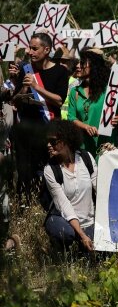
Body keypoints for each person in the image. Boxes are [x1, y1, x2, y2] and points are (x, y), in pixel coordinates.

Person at [7, 32, 69, 198]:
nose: (29, 51)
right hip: (26, 131)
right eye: (29, 48)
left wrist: (37, 87)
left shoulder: (60, 72)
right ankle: (25, 203)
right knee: (25, 172)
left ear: (46, 50)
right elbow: (15, 100)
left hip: (48, 130)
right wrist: (24, 89)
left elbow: (59, 100)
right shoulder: (26, 70)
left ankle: (48, 203)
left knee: (48, 170)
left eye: (34, 48)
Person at [43, 120, 97, 255]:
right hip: (64, 219)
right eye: (47, 141)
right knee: (65, 233)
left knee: (97, 253)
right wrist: (82, 234)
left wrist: (109, 154)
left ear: (66, 140)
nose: (48, 145)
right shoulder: (50, 170)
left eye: (53, 141)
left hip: (89, 221)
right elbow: (64, 205)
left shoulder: (86, 158)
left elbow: (101, 189)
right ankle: (60, 248)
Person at [66, 49, 118, 157]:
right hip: (83, 146)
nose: (78, 66)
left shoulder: (109, 90)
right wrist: (86, 127)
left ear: (94, 66)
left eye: (82, 62)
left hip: (105, 146)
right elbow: (71, 117)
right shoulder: (75, 91)